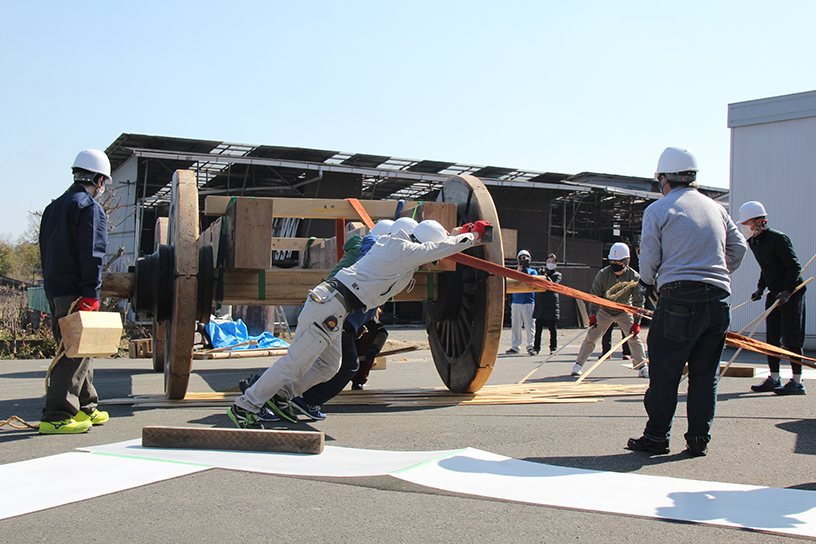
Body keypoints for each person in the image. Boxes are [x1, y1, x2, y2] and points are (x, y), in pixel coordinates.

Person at [228, 218, 491, 428]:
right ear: (418, 241)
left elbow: (435, 246)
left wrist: (458, 231)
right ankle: (245, 406)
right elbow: (435, 249)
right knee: (295, 363)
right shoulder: (400, 249)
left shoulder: (399, 251)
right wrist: (473, 235)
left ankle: (280, 396)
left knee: (330, 366)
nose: (430, 263)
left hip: (335, 309)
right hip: (329, 306)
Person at [628, 146, 746, 457]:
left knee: (666, 371)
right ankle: (698, 440)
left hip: (679, 297)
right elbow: (739, 248)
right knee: (705, 376)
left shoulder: (659, 209)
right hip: (719, 299)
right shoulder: (717, 208)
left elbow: (650, 256)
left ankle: (656, 437)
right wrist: (716, 271)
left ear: (664, 178)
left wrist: (646, 283)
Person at [38, 149, 112, 434]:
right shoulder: (89, 208)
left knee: (80, 346)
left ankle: (86, 406)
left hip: (56, 289)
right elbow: (93, 254)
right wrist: (91, 293)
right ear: (98, 179)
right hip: (78, 291)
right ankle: (57, 414)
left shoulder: (54, 207)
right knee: (74, 352)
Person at [739, 201, 807, 395]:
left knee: (792, 338)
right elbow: (765, 267)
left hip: (791, 292)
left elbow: (794, 266)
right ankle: (774, 378)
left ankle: (796, 381)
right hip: (774, 291)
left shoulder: (778, 239)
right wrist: (760, 288)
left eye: (748, 222)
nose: (745, 226)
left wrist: (788, 290)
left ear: (761, 221)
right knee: (772, 338)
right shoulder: (753, 242)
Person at [571, 242, 648, 378]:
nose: (615, 264)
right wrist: (593, 315)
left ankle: (642, 366)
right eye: (612, 261)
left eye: (618, 261)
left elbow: (638, 301)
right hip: (604, 311)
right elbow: (595, 295)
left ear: (626, 261)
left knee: (634, 338)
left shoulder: (634, 278)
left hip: (624, 311)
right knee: (591, 337)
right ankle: (578, 364)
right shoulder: (603, 274)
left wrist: (637, 322)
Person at [506, 250, 538, 356]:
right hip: (516, 302)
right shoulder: (515, 272)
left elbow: (531, 280)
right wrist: (519, 272)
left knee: (530, 325)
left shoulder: (533, 272)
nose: (523, 260)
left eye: (525, 258)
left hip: (528, 301)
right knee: (516, 325)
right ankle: (515, 346)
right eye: (521, 258)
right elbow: (511, 281)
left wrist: (525, 271)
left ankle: (530, 345)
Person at [533, 254, 560, 355]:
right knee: (538, 328)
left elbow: (553, 285)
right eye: (548, 262)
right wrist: (541, 275)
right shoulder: (542, 274)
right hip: (541, 303)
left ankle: (553, 348)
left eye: (552, 262)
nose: (550, 264)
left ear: (556, 264)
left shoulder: (557, 275)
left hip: (551, 304)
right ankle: (536, 348)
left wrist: (546, 277)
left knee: (552, 328)